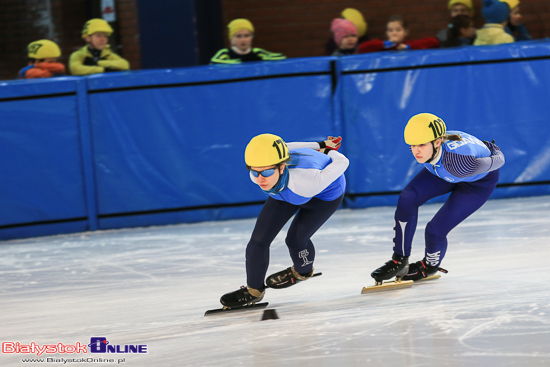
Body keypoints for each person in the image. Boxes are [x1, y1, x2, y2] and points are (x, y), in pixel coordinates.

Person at [371, 113, 505, 284]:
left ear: (437, 142)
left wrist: (494, 149)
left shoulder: (460, 163)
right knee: (408, 197)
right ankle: (399, 260)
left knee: (435, 231)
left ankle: (429, 266)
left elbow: (500, 160)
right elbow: (449, 138)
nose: (416, 151)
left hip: (476, 183)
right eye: (412, 146)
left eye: (421, 145)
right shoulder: (432, 144)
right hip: (443, 172)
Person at [220, 134, 349, 307]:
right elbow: (287, 145)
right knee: (257, 242)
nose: (261, 179)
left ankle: (303, 271)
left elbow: (342, 163)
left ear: (282, 167)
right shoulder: (270, 161)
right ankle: (254, 291)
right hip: (285, 190)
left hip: (323, 196)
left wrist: (329, 151)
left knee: (295, 239)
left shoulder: (307, 181)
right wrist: (320, 143)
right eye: (254, 172)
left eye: (266, 172)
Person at [210, 19, 285, 64]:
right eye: (238, 36)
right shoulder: (224, 53)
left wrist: (262, 60)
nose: (243, 40)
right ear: (231, 39)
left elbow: (281, 57)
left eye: (246, 36)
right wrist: (242, 62)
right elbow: (214, 63)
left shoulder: (257, 52)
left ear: (252, 38)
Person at [358, 15, 439, 54]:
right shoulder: (383, 47)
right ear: (386, 33)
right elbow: (361, 48)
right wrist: (385, 44)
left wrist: (408, 47)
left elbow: (434, 42)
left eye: (398, 30)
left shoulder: (409, 44)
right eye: (390, 30)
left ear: (406, 32)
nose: (394, 33)